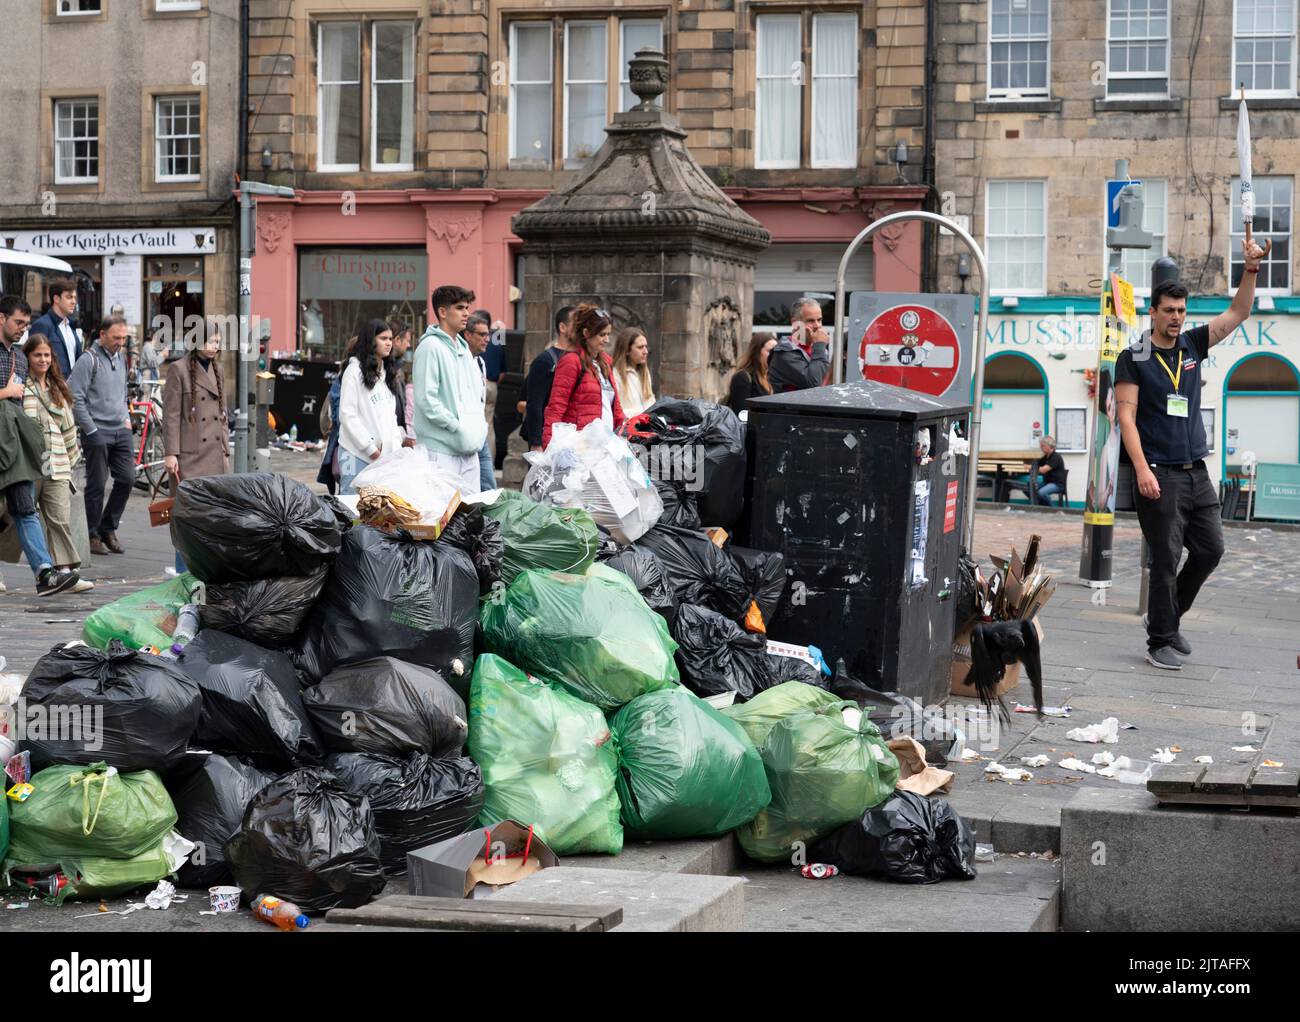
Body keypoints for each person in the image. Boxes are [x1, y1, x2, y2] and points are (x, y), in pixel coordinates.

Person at [1115, 253, 1263, 672]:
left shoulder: (1193, 344)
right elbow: (1126, 415)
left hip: (1196, 470)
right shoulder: (1135, 356)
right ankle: (1158, 640)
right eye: (1169, 311)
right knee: (1165, 559)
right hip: (1159, 473)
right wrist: (1141, 469)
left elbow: (1238, 311)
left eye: (1181, 310)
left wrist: (1250, 271)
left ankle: (1167, 617)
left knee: (1211, 549)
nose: (1177, 317)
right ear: (1153, 312)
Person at [0, 297, 80, 595]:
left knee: (24, 507)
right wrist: (5, 391)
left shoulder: (19, 359)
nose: (22, 328)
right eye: (18, 322)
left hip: (13, 442)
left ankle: (45, 574)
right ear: (1, 318)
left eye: (25, 324)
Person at [22, 332, 92, 591]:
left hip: (57, 463)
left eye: (46, 355)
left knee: (59, 518)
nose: (42, 360)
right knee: (14, 517)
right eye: (37, 355)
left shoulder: (58, 387)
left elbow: (69, 428)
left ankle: (65, 572)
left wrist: (71, 462)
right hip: (28, 463)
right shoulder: (21, 386)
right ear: (27, 357)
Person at [163, 325, 230, 572]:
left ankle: (206, 571)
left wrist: (225, 449)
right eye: (211, 341)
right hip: (189, 456)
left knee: (212, 519)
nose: (215, 345)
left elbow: (222, 415)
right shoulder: (178, 369)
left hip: (214, 454)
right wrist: (170, 453)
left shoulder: (218, 369)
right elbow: (170, 415)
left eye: (218, 341)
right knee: (187, 519)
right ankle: (183, 571)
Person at [69, 315, 134, 557]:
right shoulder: (89, 360)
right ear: (102, 335)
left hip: (120, 429)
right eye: (116, 337)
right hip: (97, 430)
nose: (120, 342)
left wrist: (126, 417)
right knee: (97, 484)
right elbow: (76, 398)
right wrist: (91, 430)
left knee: (127, 479)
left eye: (124, 337)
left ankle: (108, 527)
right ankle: (92, 533)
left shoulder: (122, 358)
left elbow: (123, 391)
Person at [412, 285, 487, 494]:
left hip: (469, 449)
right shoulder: (430, 347)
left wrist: (478, 428)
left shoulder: (463, 347)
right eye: (460, 308)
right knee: (443, 517)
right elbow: (426, 400)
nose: (466, 313)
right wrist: (456, 426)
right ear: (443, 312)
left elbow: (475, 397)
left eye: (467, 307)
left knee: (471, 515)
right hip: (441, 450)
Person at [337, 319, 410, 495]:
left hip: (384, 458)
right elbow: (348, 415)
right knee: (351, 508)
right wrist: (370, 449)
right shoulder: (354, 372)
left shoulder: (387, 373)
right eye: (383, 338)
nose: (388, 343)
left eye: (391, 339)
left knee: (379, 513)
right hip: (356, 454)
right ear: (371, 340)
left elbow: (390, 416)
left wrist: (395, 449)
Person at [542, 304, 625, 447]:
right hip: (580, 446)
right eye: (602, 335)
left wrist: (624, 432)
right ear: (586, 333)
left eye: (608, 334)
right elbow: (556, 406)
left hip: (607, 446)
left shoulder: (606, 362)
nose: (607, 340)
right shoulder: (571, 361)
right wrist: (549, 445)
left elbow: (614, 406)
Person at [521, 306, 577, 452]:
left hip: (570, 435)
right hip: (549, 437)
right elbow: (534, 404)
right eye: (576, 323)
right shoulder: (545, 360)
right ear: (562, 327)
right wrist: (536, 442)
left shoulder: (582, 358)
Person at [769, 298, 831, 393]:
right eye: (811, 321)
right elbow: (813, 383)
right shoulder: (783, 353)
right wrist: (819, 345)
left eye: (819, 320)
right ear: (795, 324)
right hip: (790, 407)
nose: (817, 325)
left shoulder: (819, 350)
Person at [464, 313, 496, 491]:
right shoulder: (461, 361)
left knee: (488, 483)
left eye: (488, 334)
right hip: (466, 432)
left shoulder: (480, 362)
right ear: (468, 335)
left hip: (479, 429)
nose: (487, 339)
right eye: (482, 335)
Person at [30, 277, 82, 379]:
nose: (73, 302)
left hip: (71, 388)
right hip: (52, 387)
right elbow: (33, 359)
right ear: (56, 299)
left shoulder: (70, 326)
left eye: (75, 298)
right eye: (69, 297)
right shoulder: (42, 325)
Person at [1008, 436, 1067, 506]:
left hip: (1057, 484)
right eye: (1041, 446)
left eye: (1043, 446)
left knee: (1041, 493)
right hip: (1047, 482)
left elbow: (1043, 470)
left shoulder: (1056, 457)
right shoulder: (1045, 457)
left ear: (1049, 446)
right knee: (1027, 488)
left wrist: (1030, 466)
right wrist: (1014, 469)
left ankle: (1052, 509)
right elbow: (1034, 465)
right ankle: (1040, 505)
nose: (1041, 448)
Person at [727, 332, 778, 413]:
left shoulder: (774, 378)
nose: (774, 355)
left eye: (776, 351)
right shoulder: (742, 377)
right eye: (770, 351)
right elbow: (741, 414)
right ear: (757, 352)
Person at [611, 326, 656, 418]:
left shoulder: (645, 373)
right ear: (627, 350)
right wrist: (642, 414)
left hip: (647, 429)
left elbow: (651, 403)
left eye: (646, 346)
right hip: (626, 429)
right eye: (640, 347)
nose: (645, 351)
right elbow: (615, 412)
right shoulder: (615, 374)